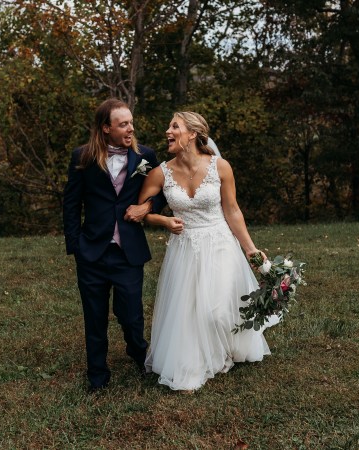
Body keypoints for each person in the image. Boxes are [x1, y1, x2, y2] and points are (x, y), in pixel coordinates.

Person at [138, 111, 279, 391]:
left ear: (192, 134)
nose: (168, 131)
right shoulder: (160, 173)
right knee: (190, 310)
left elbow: (232, 211)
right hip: (184, 248)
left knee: (217, 310)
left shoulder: (220, 167)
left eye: (174, 126)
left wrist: (251, 250)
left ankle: (226, 347)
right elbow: (142, 212)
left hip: (220, 244)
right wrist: (164, 221)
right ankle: (201, 359)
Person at [63, 98, 163, 392]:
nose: (131, 128)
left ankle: (138, 351)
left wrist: (146, 207)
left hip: (128, 250)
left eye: (131, 122)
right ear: (106, 128)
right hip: (92, 251)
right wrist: (76, 246)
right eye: (123, 124)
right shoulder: (82, 156)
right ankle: (97, 375)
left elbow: (161, 192)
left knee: (131, 313)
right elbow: (71, 203)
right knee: (94, 317)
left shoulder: (145, 156)